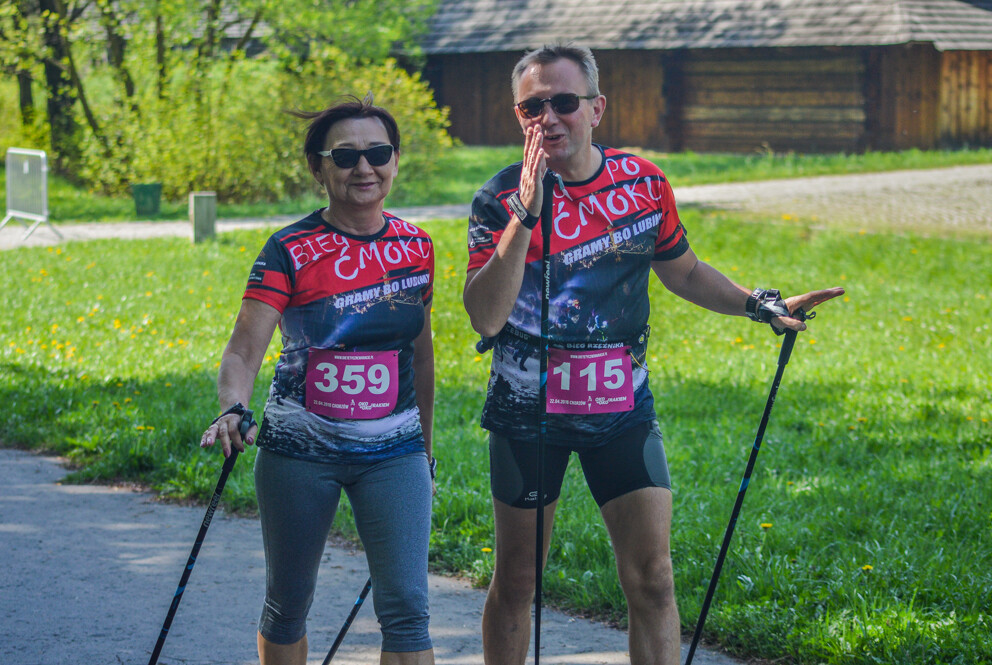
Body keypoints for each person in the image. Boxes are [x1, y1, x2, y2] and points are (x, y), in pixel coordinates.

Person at [462, 44, 844, 665]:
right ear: (518, 116)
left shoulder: (642, 183)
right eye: (533, 107)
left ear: (596, 109)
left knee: (654, 578)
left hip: (621, 408)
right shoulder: (497, 197)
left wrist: (759, 305)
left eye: (564, 102)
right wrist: (525, 217)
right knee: (519, 581)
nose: (549, 118)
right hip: (527, 415)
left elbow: (684, 271)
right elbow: (485, 316)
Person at [201, 94, 437, 665]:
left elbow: (421, 356)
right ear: (318, 168)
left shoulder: (417, 246)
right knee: (288, 604)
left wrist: (424, 452)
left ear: (395, 160)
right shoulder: (289, 248)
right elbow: (244, 351)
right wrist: (233, 406)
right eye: (346, 156)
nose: (364, 168)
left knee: (408, 609)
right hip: (299, 448)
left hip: (394, 450)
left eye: (378, 153)